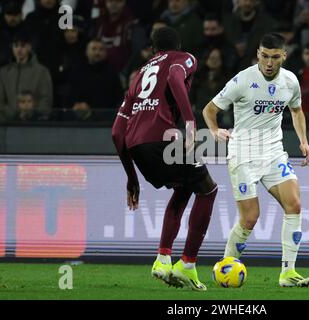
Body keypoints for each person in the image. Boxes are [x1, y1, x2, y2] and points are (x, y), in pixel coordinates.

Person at [202, 33, 309, 288]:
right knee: (250, 218)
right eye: (265, 56)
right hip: (243, 154)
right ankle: (226, 265)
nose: (269, 62)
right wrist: (214, 130)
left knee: (294, 204)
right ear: (258, 54)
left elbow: (296, 111)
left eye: (275, 57)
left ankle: (288, 273)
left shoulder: (290, 81)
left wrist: (303, 142)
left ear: (284, 56)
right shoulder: (242, 80)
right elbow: (209, 109)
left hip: (273, 152)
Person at [111, 27, 218, 291]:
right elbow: (173, 76)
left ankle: (162, 259)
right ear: (177, 46)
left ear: (152, 48)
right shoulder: (184, 58)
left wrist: (131, 179)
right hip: (162, 141)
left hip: (137, 149)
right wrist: (191, 122)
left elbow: (116, 132)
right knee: (208, 190)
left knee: (184, 188)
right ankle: (188, 264)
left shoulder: (138, 76)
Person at [0, 32, 53, 122]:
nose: (19, 49)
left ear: (29, 47)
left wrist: (32, 115)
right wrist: (12, 115)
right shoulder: (4, 72)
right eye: (16, 46)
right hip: (8, 124)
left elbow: (46, 99)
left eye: (22, 46)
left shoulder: (41, 71)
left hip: (34, 124)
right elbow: (0, 100)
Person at [65, 39, 123, 121]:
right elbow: (70, 95)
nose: (97, 53)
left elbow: (118, 98)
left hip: (105, 120)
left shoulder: (112, 74)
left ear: (105, 53)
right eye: (94, 49)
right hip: (78, 118)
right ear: (87, 52)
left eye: (101, 49)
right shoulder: (77, 72)